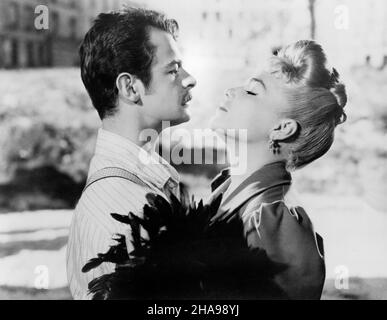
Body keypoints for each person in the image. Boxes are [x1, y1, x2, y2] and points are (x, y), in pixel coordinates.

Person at [66, 7, 196, 299]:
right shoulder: (120, 214)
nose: (189, 79)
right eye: (173, 70)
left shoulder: (144, 182)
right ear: (130, 87)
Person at [209, 40, 348, 299]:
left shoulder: (274, 227)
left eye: (252, 92)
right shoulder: (227, 193)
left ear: (282, 128)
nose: (231, 91)